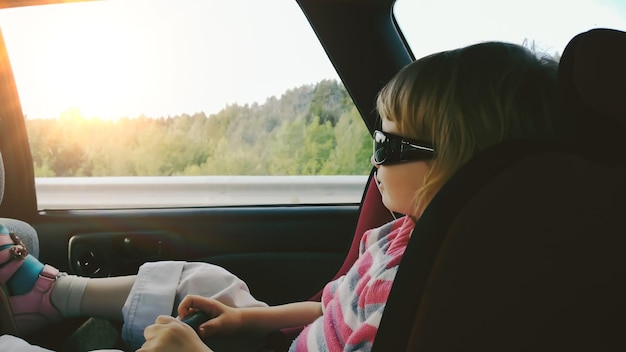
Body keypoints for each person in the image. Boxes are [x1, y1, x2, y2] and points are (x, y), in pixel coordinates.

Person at [0, 41, 569, 352]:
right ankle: (58, 296)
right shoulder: (401, 236)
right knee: (204, 281)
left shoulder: (430, 288)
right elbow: (331, 305)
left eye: (390, 144)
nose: (376, 158)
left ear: (454, 163)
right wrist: (257, 321)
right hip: (295, 342)